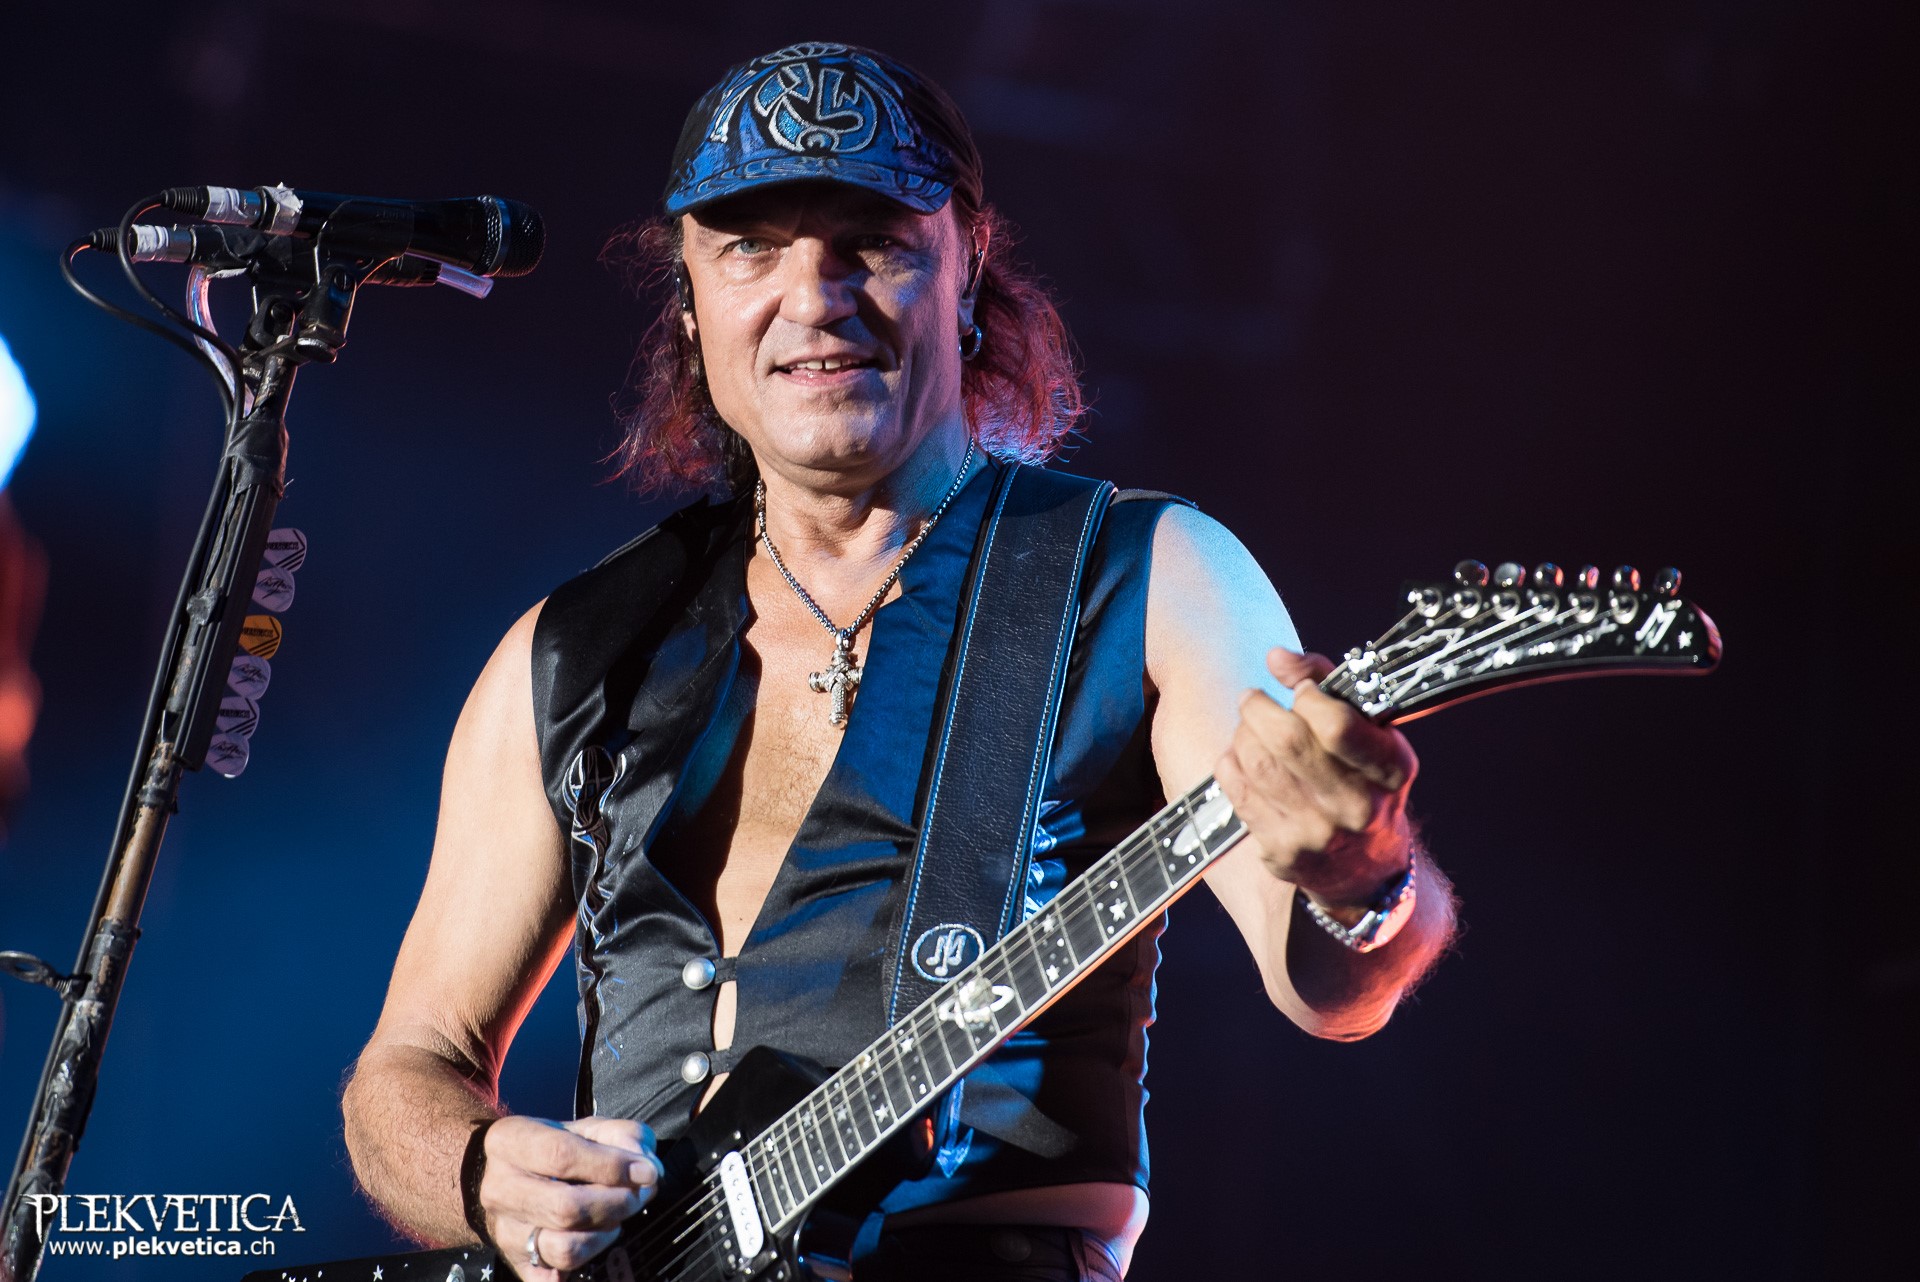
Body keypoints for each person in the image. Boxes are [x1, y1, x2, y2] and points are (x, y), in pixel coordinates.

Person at [341, 41, 1456, 1282]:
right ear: (690, 299)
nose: (813, 297)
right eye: (749, 248)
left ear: (967, 268)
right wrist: (480, 1170)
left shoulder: (1151, 577)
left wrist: (1363, 878)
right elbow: (405, 1071)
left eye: (871, 242)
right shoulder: (572, 651)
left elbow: (1335, 989)